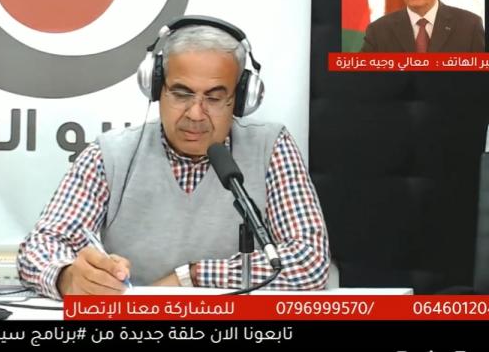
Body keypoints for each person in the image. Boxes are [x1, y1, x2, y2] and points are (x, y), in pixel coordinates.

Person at [16, 17, 330, 298]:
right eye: (181, 94)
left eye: (214, 98)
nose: (196, 114)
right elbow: (39, 247)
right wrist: (68, 277)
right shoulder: (109, 155)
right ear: (156, 89)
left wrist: (191, 276)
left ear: (239, 100)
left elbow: (311, 262)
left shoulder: (271, 147)